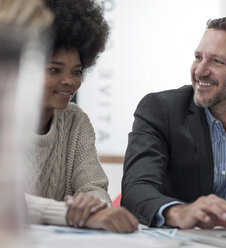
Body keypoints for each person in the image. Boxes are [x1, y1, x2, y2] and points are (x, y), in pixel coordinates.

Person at [121, 17, 226, 229]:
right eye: (198, 57)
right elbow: (135, 188)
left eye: (217, 61)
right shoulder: (160, 109)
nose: (200, 71)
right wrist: (179, 212)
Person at [24, 0, 138, 233]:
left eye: (76, 71)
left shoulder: (76, 121)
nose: (70, 81)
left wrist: (93, 204)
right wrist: (69, 214)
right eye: (54, 69)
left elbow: (94, 186)